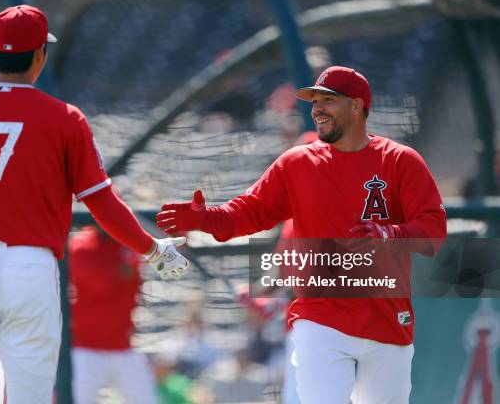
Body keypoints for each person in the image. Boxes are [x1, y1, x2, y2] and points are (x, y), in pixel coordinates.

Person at [0, 5, 188, 404]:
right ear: (41, 56)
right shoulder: (64, 118)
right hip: (28, 269)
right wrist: (153, 248)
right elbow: (102, 203)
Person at [156, 66, 447, 403]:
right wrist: (205, 219)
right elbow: (248, 213)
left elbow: (433, 232)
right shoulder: (296, 163)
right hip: (320, 318)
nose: (317, 109)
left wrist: (389, 234)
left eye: (328, 100)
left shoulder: (400, 161)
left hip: (387, 320)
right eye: (314, 101)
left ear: (356, 106)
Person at [68, 225, 157, 404]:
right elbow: (102, 283)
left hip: (123, 348)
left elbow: (177, 241)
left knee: (147, 400)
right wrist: (132, 258)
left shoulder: (130, 243)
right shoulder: (82, 245)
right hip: (85, 350)